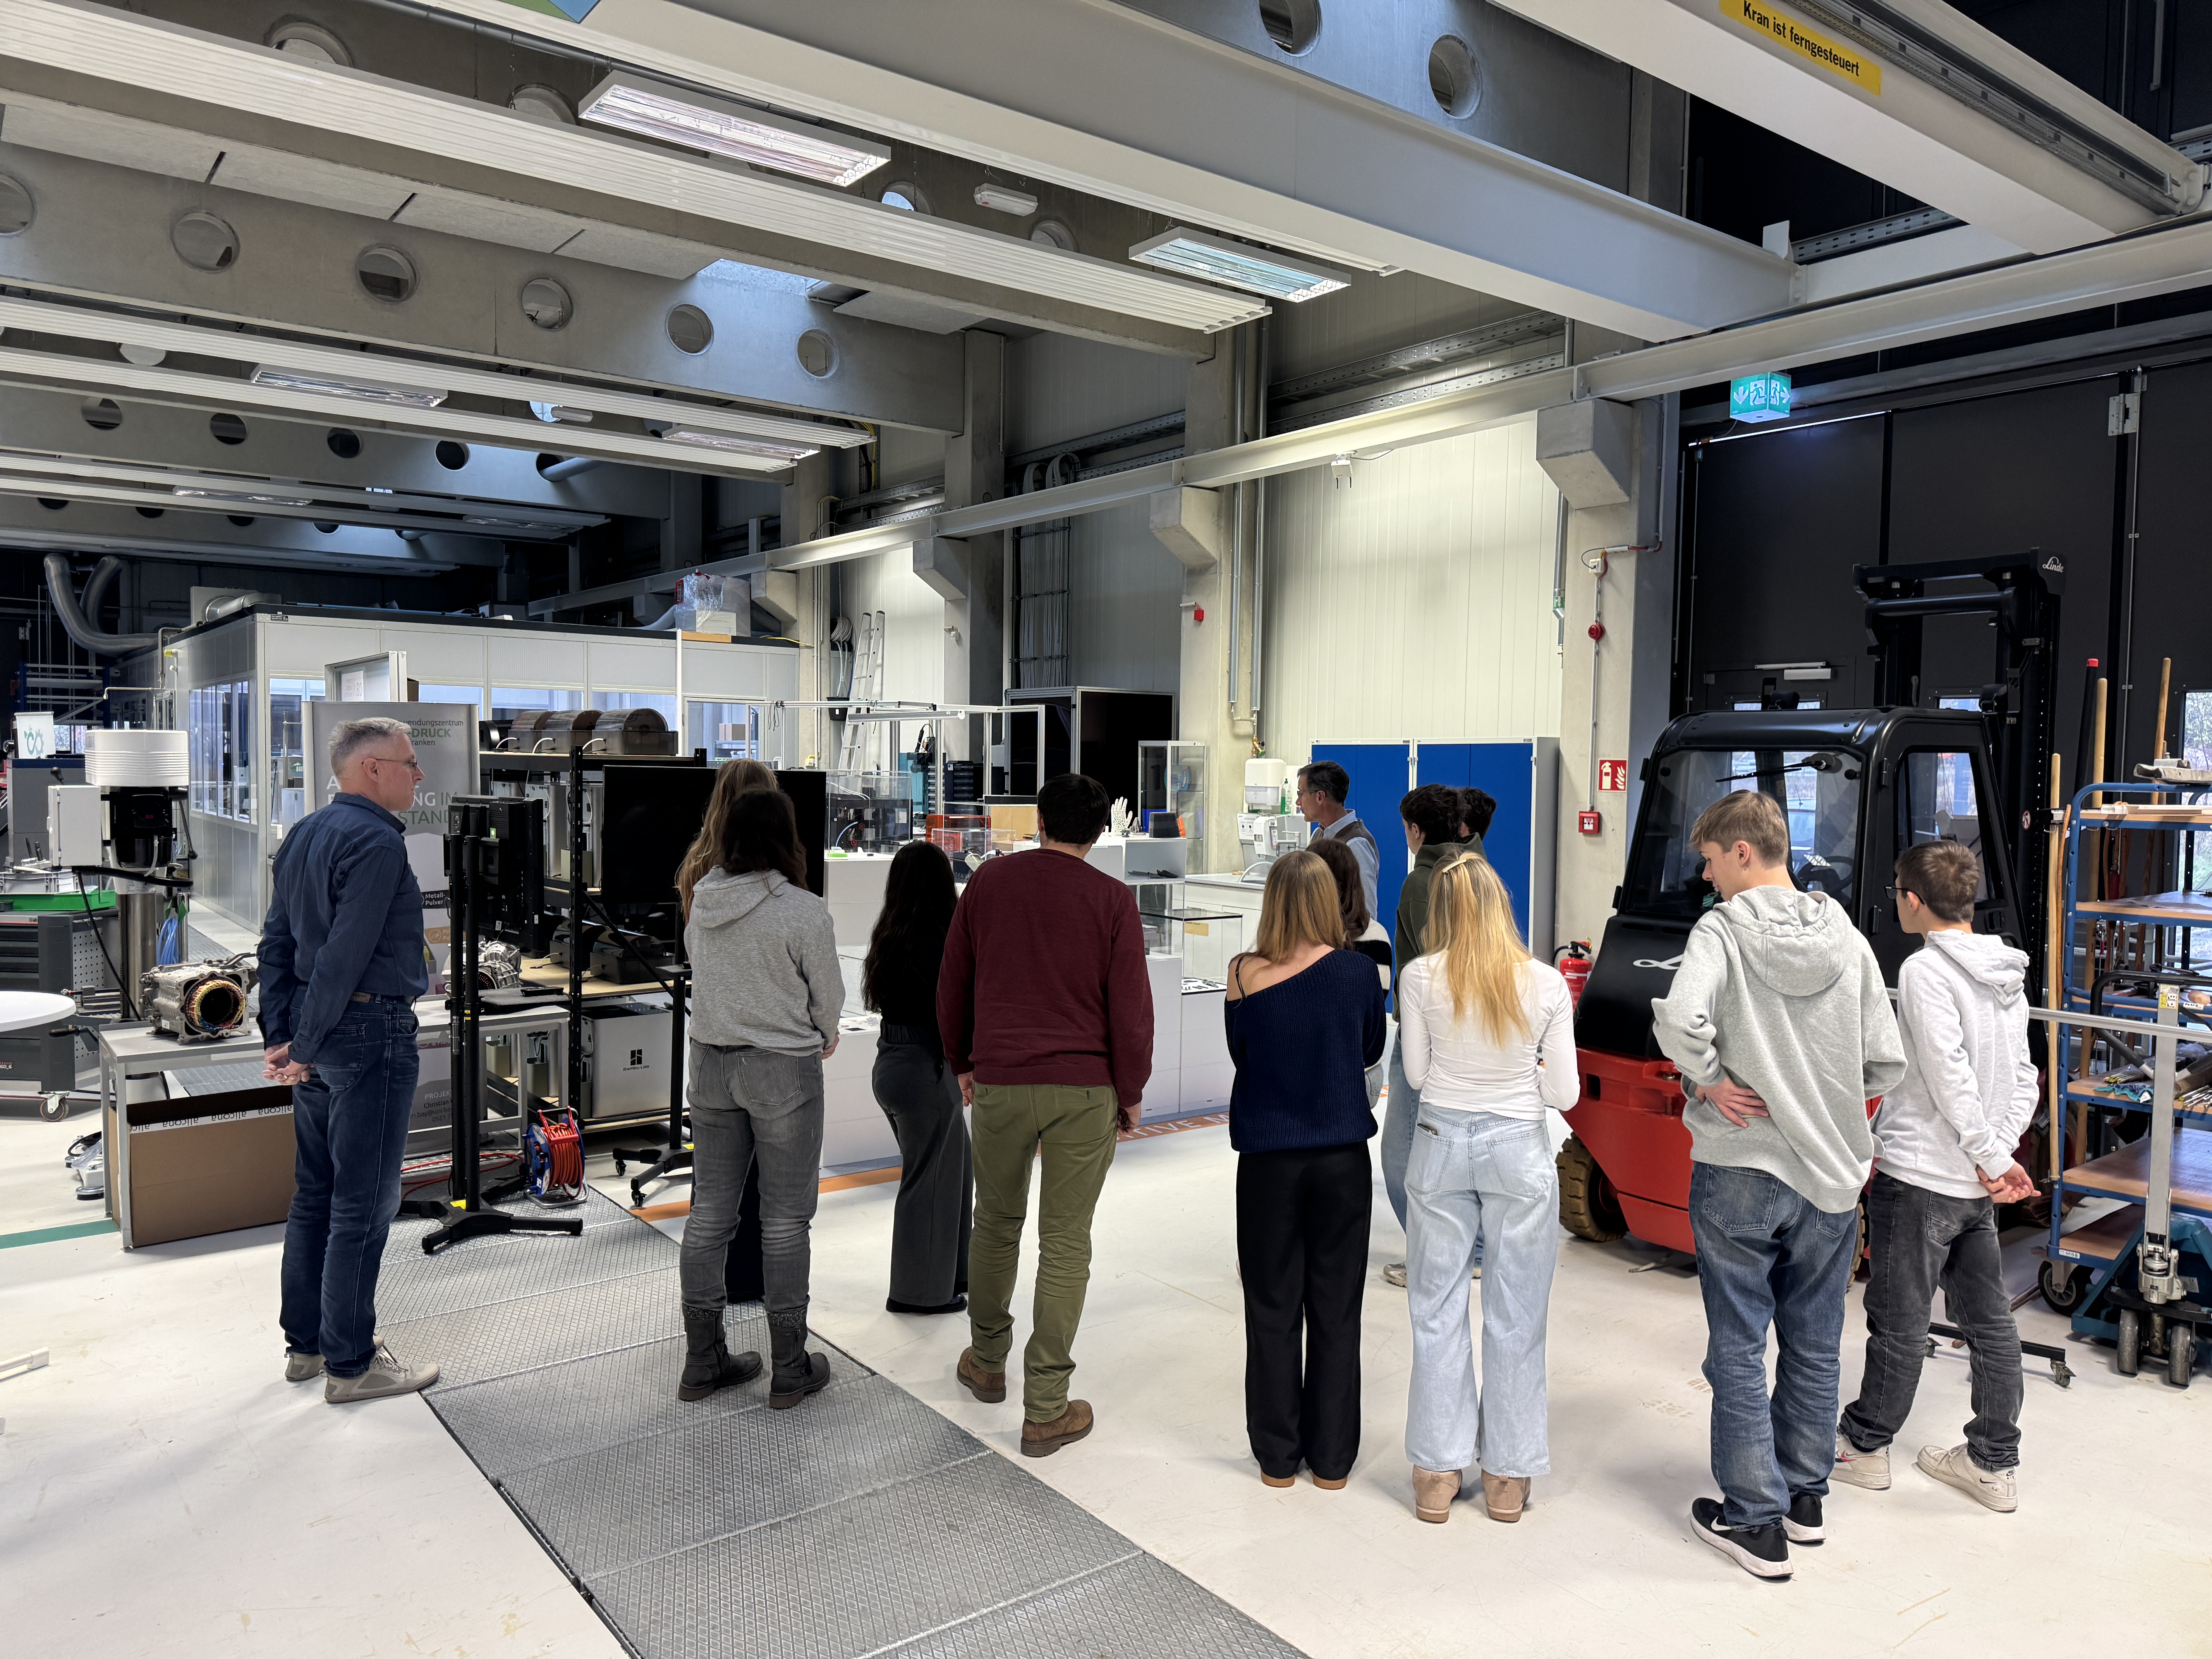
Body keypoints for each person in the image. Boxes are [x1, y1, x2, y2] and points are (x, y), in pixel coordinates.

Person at [1652, 790, 1905, 1582]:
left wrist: (1710, 1082)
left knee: (1737, 1341)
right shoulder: (1850, 938)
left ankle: (1752, 1519)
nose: (1706, 875)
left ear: (1741, 853)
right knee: (1817, 1340)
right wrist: (1827, 1106)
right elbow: (1884, 1061)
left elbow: (1679, 1018)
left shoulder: (1721, 931)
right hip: (1831, 1176)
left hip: (1740, 1165)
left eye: (1710, 860)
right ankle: (1804, 1500)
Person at [938, 771, 1153, 1458]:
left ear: (1037, 820)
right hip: (1084, 1087)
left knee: (995, 1222)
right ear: (1097, 831)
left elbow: (954, 982)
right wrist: (1132, 1087)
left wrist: (961, 1061)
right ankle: (1048, 1407)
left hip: (999, 1078)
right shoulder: (1113, 899)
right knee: (1065, 1241)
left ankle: (984, 1360)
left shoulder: (989, 884)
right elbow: (1130, 1007)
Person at [1835, 840, 2035, 1512]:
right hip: (1976, 1185)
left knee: (1897, 1321)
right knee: (1988, 1323)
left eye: (1897, 891)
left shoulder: (1926, 971)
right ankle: (1992, 1461)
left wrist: (1986, 1152)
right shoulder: (2006, 969)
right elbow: (2024, 1077)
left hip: (1921, 1173)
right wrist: (1999, 1155)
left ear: (1912, 900)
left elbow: (1949, 1078)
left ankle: (1864, 1446)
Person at [260, 716, 436, 1403]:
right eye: (409, 762)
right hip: (367, 1032)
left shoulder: (304, 833)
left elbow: (277, 943)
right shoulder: (377, 843)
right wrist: (298, 1046)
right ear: (371, 769)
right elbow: (343, 955)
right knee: (363, 1204)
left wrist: (284, 1037)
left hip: (321, 1034)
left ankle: (307, 1348)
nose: (418, 774)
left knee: (316, 1195)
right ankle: (353, 1362)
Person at [1398, 856, 1577, 1525]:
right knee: (1516, 1315)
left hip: (1440, 1142)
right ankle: (1507, 1474)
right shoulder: (1546, 983)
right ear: (1504, 904)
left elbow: (1415, 1075)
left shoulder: (1421, 976)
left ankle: (1437, 1473)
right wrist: (1515, 1084)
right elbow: (1563, 1092)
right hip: (1518, 1149)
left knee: (1436, 1307)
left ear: (1440, 912)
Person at [1224, 850, 1389, 1489]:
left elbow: (1242, 1053)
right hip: (1341, 1158)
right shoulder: (1356, 972)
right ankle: (1332, 1460)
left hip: (1266, 1159)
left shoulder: (1242, 973)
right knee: (1336, 1306)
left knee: (1269, 1304)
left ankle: (1275, 1457)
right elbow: (1370, 1048)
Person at [678, 787, 843, 1410]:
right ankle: (789, 1365)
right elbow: (827, 996)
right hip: (781, 1071)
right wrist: (823, 1035)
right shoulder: (802, 910)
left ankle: (703, 1361)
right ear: (786, 837)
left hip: (710, 1067)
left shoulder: (702, 904)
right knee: (784, 1220)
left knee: (711, 1215)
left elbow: (705, 974)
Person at [862, 841, 972, 1316]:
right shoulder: (943, 939)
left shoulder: (890, 934)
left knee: (954, 1171)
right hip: (928, 1067)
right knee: (929, 1182)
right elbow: (953, 1012)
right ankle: (918, 1292)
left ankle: (954, 1271)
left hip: (891, 1061)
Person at [1379, 783, 1474, 1288]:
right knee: (1457, 1144)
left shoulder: (1423, 882)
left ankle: (1435, 1255)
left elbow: (1427, 966)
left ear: (1415, 831)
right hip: (1473, 1032)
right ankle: (1473, 1249)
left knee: (1399, 1152)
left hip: (1427, 1032)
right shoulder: (1474, 871)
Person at [1311, 835, 1393, 1111]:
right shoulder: (1377, 934)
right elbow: (1375, 1003)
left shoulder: (1307, 938)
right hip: (1365, 1069)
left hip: (1333, 1071)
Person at [1296, 760, 1379, 922]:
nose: (1298, 802)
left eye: (1301, 793)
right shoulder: (1318, 835)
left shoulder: (1356, 844)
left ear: (1320, 797)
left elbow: (1366, 912)